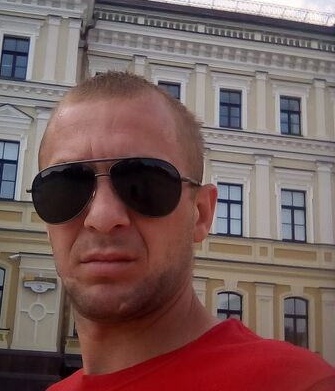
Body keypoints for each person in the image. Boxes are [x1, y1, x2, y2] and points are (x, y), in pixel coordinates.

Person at [29, 71, 335, 390]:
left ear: (201, 214)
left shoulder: (299, 384)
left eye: (144, 183)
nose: (103, 217)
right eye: (66, 186)